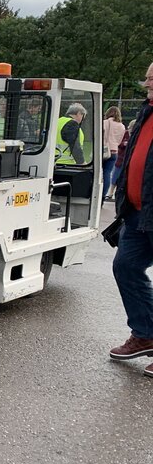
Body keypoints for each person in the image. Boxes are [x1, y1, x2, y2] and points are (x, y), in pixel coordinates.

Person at [110, 62, 153, 373]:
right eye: (148, 76)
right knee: (126, 266)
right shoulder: (145, 112)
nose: (147, 81)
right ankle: (146, 334)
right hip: (138, 213)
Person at [102, 106, 126, 201]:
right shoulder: (122, 126)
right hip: (114, 151)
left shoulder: (105, 122)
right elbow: (120, 141)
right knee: (107, 173)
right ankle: (104, 195)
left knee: (98, 173)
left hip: (104, 150)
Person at [110, 119, 135, 201]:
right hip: (121, 158)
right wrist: (124, 144)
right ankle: (111, 192)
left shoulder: (137, 135)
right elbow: (119, 142)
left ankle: (123, 194)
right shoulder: (125, 133)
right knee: (115, 176)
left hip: (131, 160)